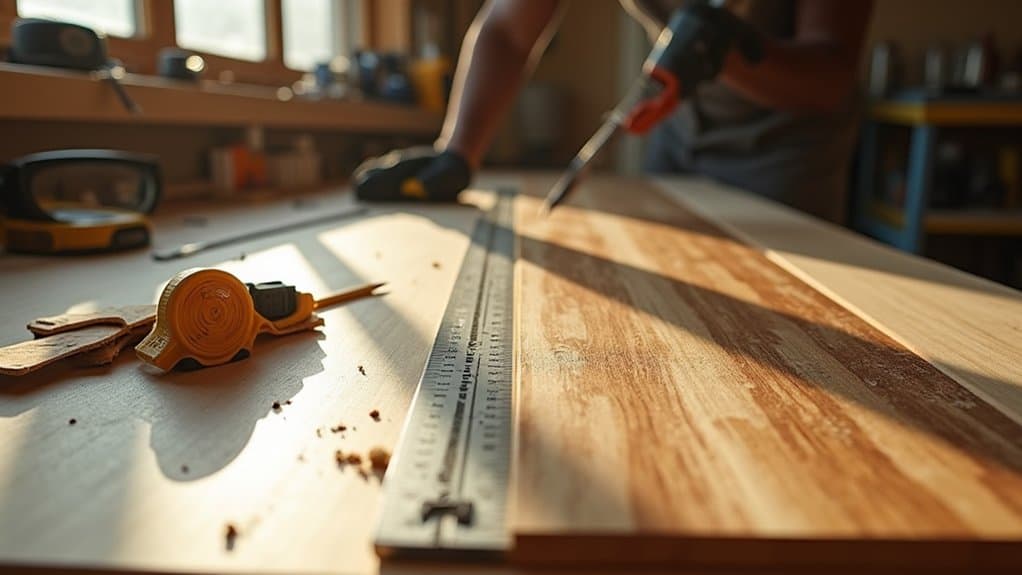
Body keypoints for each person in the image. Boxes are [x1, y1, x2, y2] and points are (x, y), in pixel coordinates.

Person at [355, 0, 875, 224]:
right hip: (678, 125)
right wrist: (459, 151)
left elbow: (831, 71)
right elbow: (508, 30)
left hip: (785, 146)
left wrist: (728, 53)